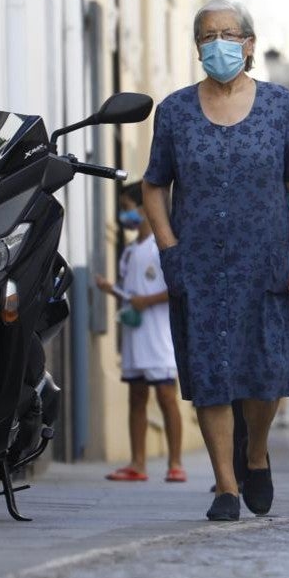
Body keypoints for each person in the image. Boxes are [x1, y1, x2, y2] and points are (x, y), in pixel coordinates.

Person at [142, 0, 289, 522]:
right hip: (198, 264)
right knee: (210, 372)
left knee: (265, 374)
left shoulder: (280, 106)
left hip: (264, 260)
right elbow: (155, 187)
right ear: (198, 48)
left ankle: (255, 452)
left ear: (248, 45)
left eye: (228, 33)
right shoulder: (173, 111)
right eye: (208, 35)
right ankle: (224, 484)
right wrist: (170, 250)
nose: (218, 43)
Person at [95, 182, 186, 484]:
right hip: (135, 336)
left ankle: (175, 462)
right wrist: (113, 291)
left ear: (145, 207)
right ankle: (138, 462)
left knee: (166, 396)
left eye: (127, 207)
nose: (125, 214)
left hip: (159, 336)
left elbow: (176, 289)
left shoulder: (164, 245)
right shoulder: (130, 251)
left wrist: (146, 301)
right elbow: (129, 293)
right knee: (136, 396)